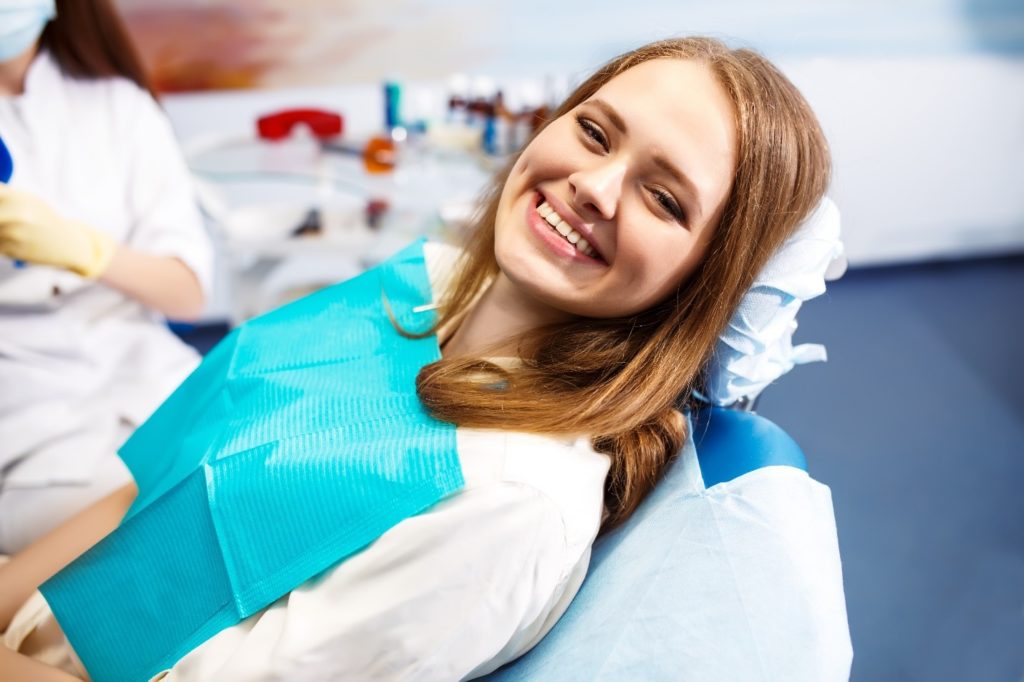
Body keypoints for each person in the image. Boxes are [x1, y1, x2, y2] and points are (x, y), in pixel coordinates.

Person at [0, 37, 849, 680]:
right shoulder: (422, 284)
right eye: (594, 131)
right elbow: (152, 485)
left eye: (663, 197)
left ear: (709, 279)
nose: (595, 185)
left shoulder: (511, 504)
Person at [0, 0, 213, 553]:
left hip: (154, 381)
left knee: (253, 473)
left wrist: (89, 252)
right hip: (27, 428)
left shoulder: (119, 106)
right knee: (162, 521)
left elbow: (186, 291)